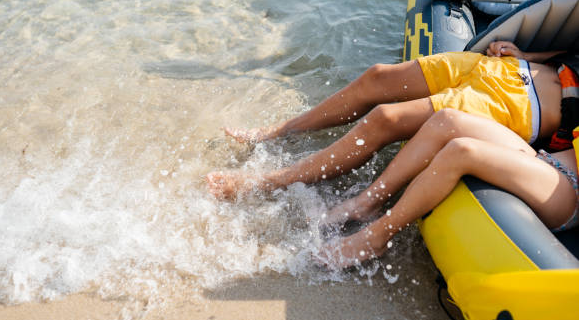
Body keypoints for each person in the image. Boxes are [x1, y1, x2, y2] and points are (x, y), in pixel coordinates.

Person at [207, 41, 569, 200]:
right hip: (508, 68)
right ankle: (282, 131)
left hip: (517, 106)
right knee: (376, 77)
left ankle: (269, 182)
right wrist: (528, 55)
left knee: (384, 118)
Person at [314, 108, 578, 269]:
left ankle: (377, 237)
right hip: (549, 160)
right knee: (447, 120)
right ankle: (366, 203)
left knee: (462, 151)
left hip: (567, 192)